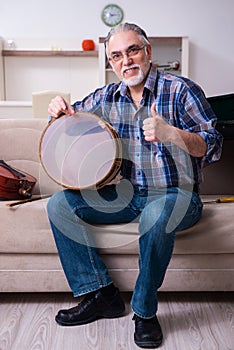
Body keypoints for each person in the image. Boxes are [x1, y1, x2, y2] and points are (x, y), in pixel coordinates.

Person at [47, 23, 222, 348]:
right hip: (129, 195)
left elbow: (212, 144)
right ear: (110, 62)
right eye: (116, 55)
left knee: (156, 214)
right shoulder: (108, 96)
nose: (125, 60)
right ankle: (101, 294)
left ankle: (144, 312)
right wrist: (58, 111)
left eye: (132, 50)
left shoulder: (181, 90)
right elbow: (71, 123)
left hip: (177, 196)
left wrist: (172, 134)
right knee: (60, 205)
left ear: (148, 52)